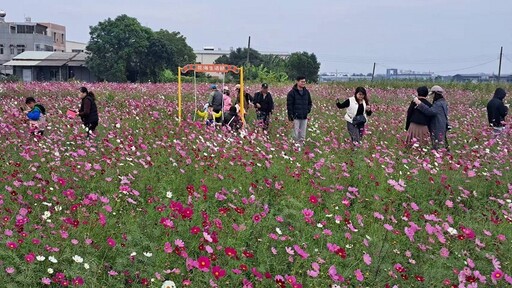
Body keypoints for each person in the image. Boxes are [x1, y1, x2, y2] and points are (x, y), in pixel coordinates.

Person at [413, 85, 449, 150]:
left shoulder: (438, 104)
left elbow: (430, 112)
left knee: (437, 143)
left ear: (435, 94)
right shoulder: (443, 102)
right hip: (442, 125)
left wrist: (419, 103)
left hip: (437, 125)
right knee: (441, 142)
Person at [287, 76, 313, 146]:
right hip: (295, 117)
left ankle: (300, 149)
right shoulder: (292, 93)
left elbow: (310, 103)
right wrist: (291, 117)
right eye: (302, 82)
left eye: (304, 82)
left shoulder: (306, 92)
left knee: (302, 135)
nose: (303, 83)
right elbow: (289, 106)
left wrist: (307, 110)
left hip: (304, 116)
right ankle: (294, 148)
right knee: (295, 135)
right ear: (297, 82)